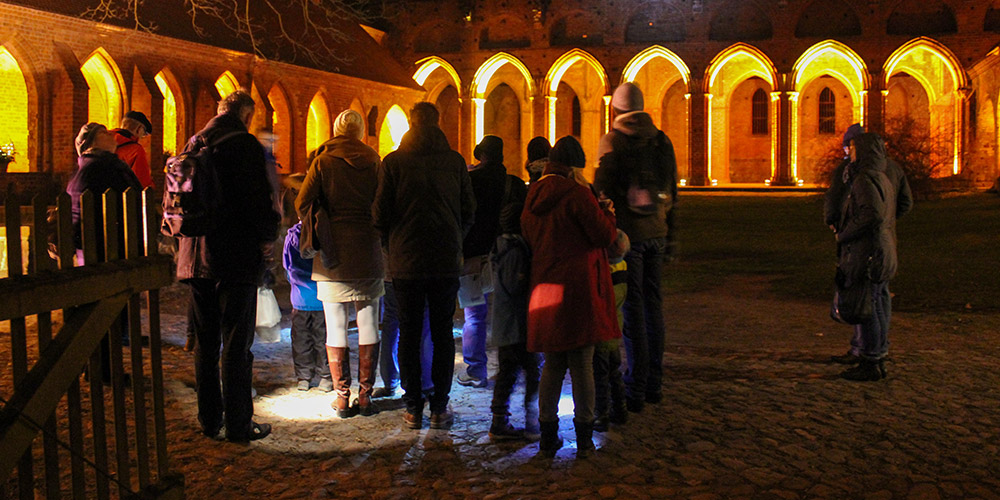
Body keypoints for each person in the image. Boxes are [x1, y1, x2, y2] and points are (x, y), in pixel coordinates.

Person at [176, 89, 279, 442]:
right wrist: (268, 235)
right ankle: (238, 423)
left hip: (195, 256)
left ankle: (209, 419)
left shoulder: (194, 142)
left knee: (205, 344)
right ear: (246, 114)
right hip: (234, 257)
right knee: (236, 343)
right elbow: (257, 202)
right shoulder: (244, 145)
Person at [373, 102, 475, 430]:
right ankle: (440, 406)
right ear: (438, 123)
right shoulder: (454, 162)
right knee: (443, 333)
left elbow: (379, 213)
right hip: (445, 259)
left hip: (406, 261)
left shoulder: (394, 163)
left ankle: (413, 406)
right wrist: (455, 236)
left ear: (411, 125)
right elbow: (468, 209)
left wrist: (392, 243)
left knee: (409, 331)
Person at [521, 136, 619, 457]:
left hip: (545, 285)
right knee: (582, 365)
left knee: (552, 365)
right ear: (575, 168)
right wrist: (609, 214)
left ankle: (548, 435)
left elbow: (529, 234)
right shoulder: (578, 195)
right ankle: (585, 438)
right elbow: (603, 235)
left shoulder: (533, 194)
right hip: (578, 287)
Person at [594, 82, 678, 413]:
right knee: (654, 309)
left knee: (633, 310)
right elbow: (672, 187)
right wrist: (670, 231)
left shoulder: (613, 141)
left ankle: (636, 387)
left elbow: (603, 192)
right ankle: (654, 383)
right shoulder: (661, 139)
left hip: (630, 238)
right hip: (657, 230)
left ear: (615, 109)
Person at [295, 109, 384, 418]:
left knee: (335, 327)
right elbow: (384, 203)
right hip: (368, 249)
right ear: (360, 132)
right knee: (369, 323)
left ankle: (342, 397)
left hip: (332, 252)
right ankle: (366, 396)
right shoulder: (374, 161)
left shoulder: (323, 161)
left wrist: (320, 220)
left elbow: (301, 202)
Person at [825, 124, 912, 367]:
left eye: (850, 148)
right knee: (879, 297)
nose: (848, 153)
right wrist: (887, 223)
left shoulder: (861, 175)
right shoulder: (889, 169)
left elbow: (865, 212)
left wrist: (841, 231)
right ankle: (873, 349)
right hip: (884, 242)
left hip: (867, 246)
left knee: (866, 299)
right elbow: (904, 202)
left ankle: (869, 354)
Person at [67, 122, 142, 384]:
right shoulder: (107, 166)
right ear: (91, 142)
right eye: (104, 133)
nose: (111, 135)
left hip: (89, 249)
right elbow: (133, 195)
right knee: (111, 310)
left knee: (95, 308)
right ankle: (106, 370)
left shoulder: (85, 167)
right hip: (110, 247)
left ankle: (94, 365)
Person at [458, 135, 527, 389]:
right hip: (508, 255)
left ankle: (476, 370)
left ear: (480, 155)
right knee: (510, 312)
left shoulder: (471, 180)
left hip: (474, 254)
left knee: (474, 315)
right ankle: (512, 368)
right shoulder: (514, 184)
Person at [487, 155, 538, 441]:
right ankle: (525, 421)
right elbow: (515, 285)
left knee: (511, 375)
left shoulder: (502, 247)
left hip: (509, 326)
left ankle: (505, 419)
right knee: (523, 373)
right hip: (516, 326)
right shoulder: (515, 251)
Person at [283, 221, 332, 392]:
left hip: (300, 297)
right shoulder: (325, 232)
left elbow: (286, 265)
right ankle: (326, 376)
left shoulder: (291, 236)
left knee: (301, 339)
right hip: (322, 295)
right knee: (323, 338)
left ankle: (304, 377)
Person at [593, 229, 630, 432]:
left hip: (601, 334)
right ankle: (620, 409)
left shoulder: (604, 273)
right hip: (615, 332)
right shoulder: (622, 267)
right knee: (614, 374)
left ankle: (601, 415)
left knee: (599, 377)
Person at [111, 111, 154, 189]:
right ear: (139, 129)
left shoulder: (103, 140)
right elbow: (142, 182)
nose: (142, 137)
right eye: (144, 133)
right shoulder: (136, 150)